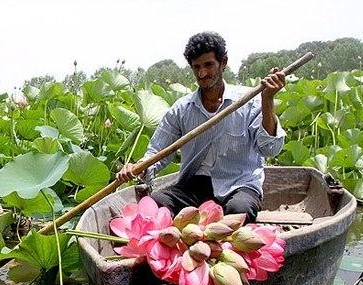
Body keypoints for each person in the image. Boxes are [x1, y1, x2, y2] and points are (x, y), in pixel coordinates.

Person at [116, 31, 286, 223]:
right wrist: (139, 167)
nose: (202, 73)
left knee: (238, 212)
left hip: (239, 184)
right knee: (155, 205)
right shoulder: (182, 109)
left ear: (223, 63)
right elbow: (157, 151)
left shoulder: (250, 102)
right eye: (196, 67)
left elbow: (270, 148)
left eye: (208, 65)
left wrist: (268, 100)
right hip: (194, 186)